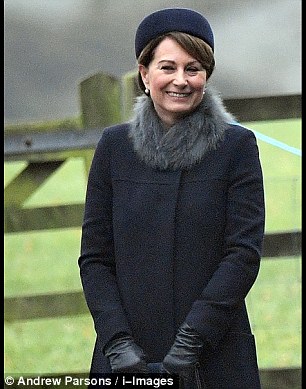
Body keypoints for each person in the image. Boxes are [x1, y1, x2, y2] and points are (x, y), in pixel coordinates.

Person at [78, 7, 265, 389]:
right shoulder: (114, 147)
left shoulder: (237, 148)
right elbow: (95, 258)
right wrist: (116, 343)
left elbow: (242, 253)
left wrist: (193, 339)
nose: (180, 80)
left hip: (216, 355)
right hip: (125, 360)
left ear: (206, 76)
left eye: (192, 68)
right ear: (145, 74)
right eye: (167, 67)